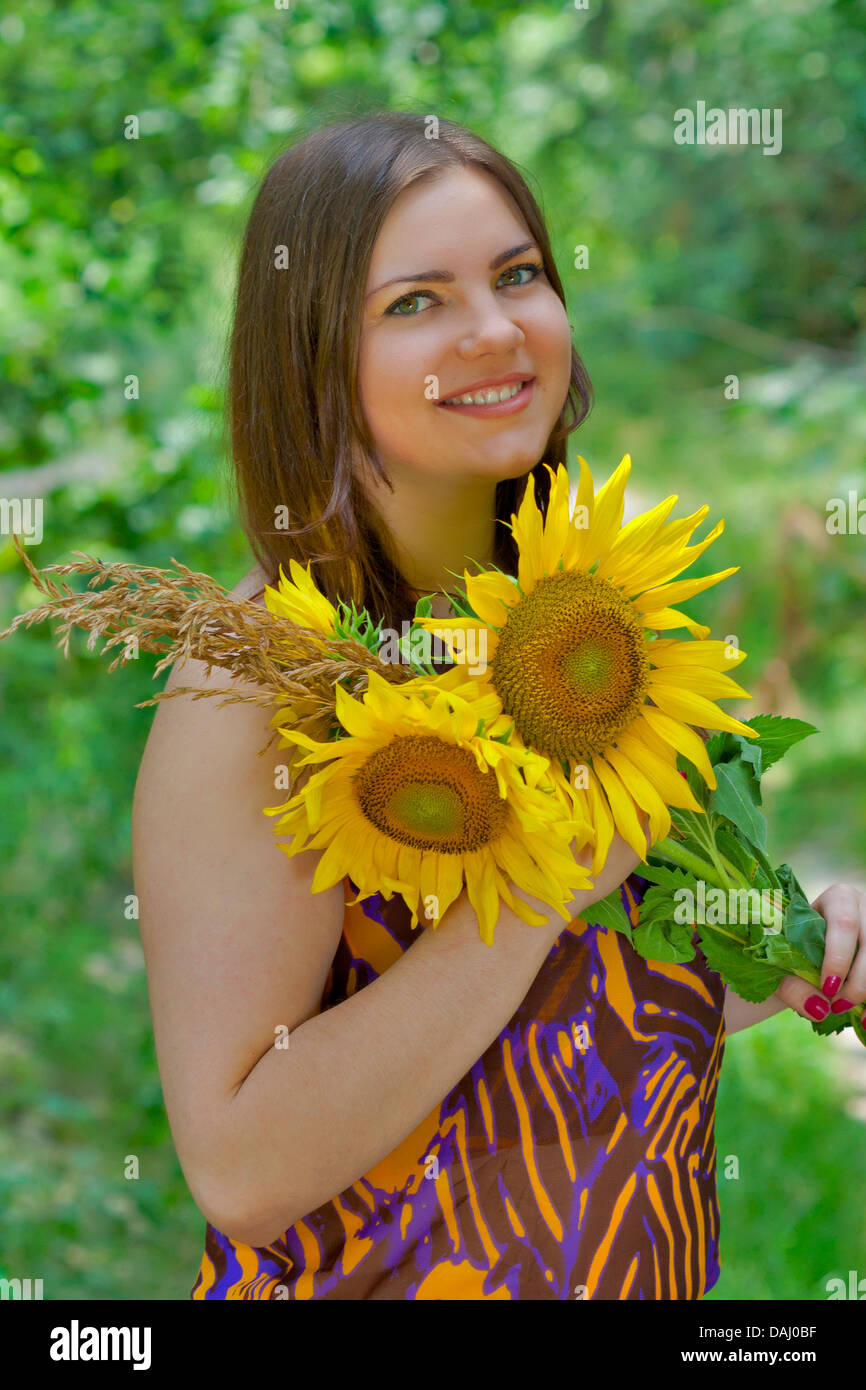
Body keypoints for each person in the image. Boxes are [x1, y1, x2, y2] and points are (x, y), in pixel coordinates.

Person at [132, 111, 866, 1300]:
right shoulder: (257, 683)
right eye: (414, 301)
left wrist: (789, 948)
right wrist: (533, 891)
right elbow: (241, 1168)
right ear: (313, 352)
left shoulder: (609, 618)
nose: (494, 330)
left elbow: (610, 997)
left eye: (517, 275)